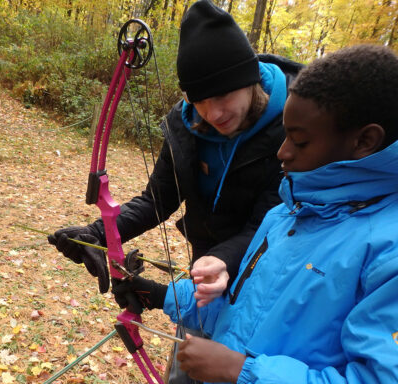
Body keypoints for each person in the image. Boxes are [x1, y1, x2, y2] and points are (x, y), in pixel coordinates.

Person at [112, 44, 398, 383]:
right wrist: (158, 294)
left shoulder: (387, 252)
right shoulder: (284, 216)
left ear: (364, 141)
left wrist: (240, 371)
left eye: (300, 141)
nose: (283, 152)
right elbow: (241, 308)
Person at [49, 0, 301, 382]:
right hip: (202, 282)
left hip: (263, 281)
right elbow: (157, 199)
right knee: (185, 373)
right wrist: (99, 234)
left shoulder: (292, 127)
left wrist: (221, 261)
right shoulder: (188, 126)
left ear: (249, 80)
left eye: (223, 95)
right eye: (199, 99)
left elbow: (270, 222)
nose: (213, 113)